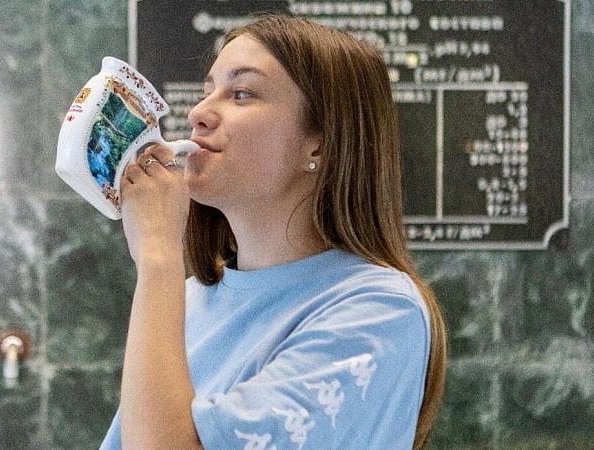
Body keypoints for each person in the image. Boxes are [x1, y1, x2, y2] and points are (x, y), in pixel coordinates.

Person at [105, 14, 447, 449]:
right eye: (208, 92)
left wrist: (157, 254)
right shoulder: (186, 301)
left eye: (241, 93)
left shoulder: (379, 313)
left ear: (320, 142)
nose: (197, 113)